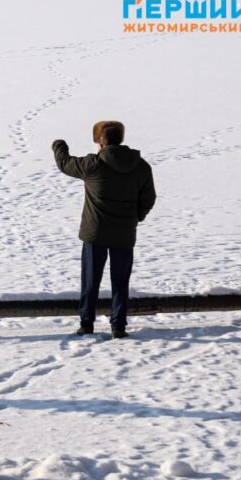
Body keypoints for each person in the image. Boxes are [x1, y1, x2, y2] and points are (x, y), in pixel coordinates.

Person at [52, 121, 156, 339]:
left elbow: (64, 163)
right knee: (120, 281)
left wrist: (58, 145)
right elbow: (148, 198)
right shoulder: (141, 166)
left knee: (91, 280)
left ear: (99, 141)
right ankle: (118, 326)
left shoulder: (93, 164)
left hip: (95, 233)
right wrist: (135, 217)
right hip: (124, 233)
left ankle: (86, 323)